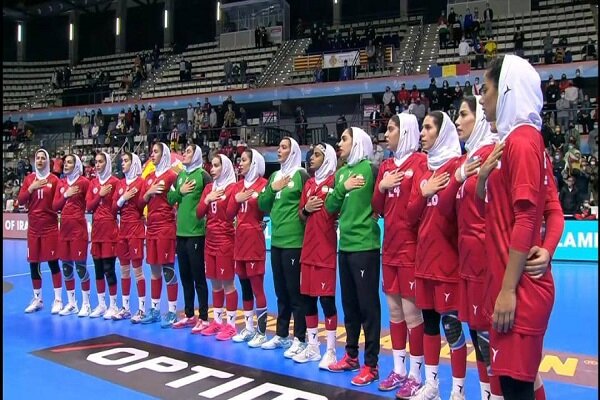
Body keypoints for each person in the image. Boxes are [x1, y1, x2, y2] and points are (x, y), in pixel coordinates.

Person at [476, 55, 555, 399]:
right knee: (521, 383)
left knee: (517, 387)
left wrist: (508, 290)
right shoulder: (514, 142)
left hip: (519, 291)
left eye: (486, 89)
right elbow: (503, 211)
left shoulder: (522, 142)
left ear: (506, 89)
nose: (481, 98)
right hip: (509, 283)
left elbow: (526, 218)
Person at [406, 111, 466, 400]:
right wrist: (423, 192)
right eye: (422, 128)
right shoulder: (423, 169)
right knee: (430, 326)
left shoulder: (458, 165)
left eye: (428, 128)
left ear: (442, 132)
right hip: (424, 262)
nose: (422, 133)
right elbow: (410, 216)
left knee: (451, 328)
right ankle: (432, 386)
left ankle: (458, 391)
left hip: (448, 264)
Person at [372, 113, 427, 397]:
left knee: (412, 314)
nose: (387, 134)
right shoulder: (385, 165)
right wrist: (381, 186)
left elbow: (418, 207)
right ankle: (399, 370)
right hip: (389, 248)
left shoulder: (419, 162)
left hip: (410, 248)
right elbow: (377, 207)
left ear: (405, 131)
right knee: (394, 312)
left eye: (392, 129)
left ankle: (416, 374)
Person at [324, 127, 381, 386]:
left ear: (357, 142)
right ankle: (351, 356)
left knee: (368, 307)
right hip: (344, 247)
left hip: (365, 247)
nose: (340, 143)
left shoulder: (371, 170)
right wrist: (342, 188)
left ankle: (372, 365)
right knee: (349, 306)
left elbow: (384, 201)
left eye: (344, 139)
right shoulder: (340, 174)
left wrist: (378, 211)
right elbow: (329, 207)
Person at [453, 96, 500, 399]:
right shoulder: (467, 159)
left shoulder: (492, 154)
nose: (458, 121)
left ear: (480, 117)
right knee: (477, 337)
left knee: (489, 340)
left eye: (463, 114)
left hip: (485, 262)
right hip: (467, 262)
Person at [257, 137, 310, 357]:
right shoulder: (274, 177)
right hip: (277, 242)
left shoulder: (301, 175)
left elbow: (308, 205)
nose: (279, 150)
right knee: (280, 292)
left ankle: (301, 338)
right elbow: (262, 204)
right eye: (279, 147)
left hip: (294, 242)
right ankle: (281, 335)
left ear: (293, 152)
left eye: (284, 147)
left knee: (295, 292)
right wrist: (272, 188)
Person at [293, 143, 339, 367]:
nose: (312, 157)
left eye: (318, 155)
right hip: (308, 250)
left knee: (327, 301)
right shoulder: (309, 183)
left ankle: (331, 351)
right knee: (307, 300)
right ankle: (312, 347)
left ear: (327, 158)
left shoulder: (335, 181)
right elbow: (301, 215)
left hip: (325, 251)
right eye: (312, 154)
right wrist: (306, 209)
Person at [225, 149, 269, 347]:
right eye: (239, 160)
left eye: (244, 160)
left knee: (257, 286)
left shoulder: (263, 184)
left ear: (254, 163)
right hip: (240, 241)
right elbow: (228, 214)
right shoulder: (237, 186)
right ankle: (249, 328)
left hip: (254, 241)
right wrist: (236, 199)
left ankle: (262, 332)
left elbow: (267, 208)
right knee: (244, 286)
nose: (240, 163)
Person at [168, 145, 212, 333]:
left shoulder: (203, 176)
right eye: (184, 152)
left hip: (196, 234)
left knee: (198, 277)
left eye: (188, 152)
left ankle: (204, 318)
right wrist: (181, 191)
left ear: (196, 155)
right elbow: (170, 198)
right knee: (185, 277)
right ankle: (189, 315)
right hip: (181, 234)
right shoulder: (180, 177)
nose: (184, 154)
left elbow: (211, 200)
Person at [196, 154, 238, 340]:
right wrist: (207, 199)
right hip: (210, 240)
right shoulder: (208, 189)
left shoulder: (232, 188)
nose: (212, 169)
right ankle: (218, 321)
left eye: (216, 166)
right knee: (214, 282)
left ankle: (231, 325)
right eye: (211, 166)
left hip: (225, 241)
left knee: (227, 283)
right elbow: (199, 213)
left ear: (225, 167)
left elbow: (230, 215)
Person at [139, 142, 180, 327]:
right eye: (151, 151)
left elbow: (177, 199)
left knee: (168, 269)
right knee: (154, 270)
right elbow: (141, 202)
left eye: (155, 152)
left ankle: (171, 312)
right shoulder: (148, 178)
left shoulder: (171, 176)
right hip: (152, 228)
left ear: (164, 155)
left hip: (165, 228)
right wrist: (148, 193)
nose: (152, 154)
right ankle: (155, 310)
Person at [18, 149, 63, 314]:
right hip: (33, 228)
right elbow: (20, 200)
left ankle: (58, 300)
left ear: (48, 161)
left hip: (50, 228)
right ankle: (38, 299)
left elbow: (58, 203)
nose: (40, 161)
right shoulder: (29, 179)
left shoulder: (54, 180)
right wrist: (31, 188)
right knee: (34, 264)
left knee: (53, 262)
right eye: (38, 158)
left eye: (43, 158)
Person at [52, 154, 91, 316]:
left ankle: (86, 304)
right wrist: (66, 195)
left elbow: (90, 204)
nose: (65, 165)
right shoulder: (61, 183)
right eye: (65, 163)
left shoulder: (84, 182)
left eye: (69, 162)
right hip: (64, 230)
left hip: (78, 230)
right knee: (67, 268)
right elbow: (55, 206)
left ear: (76, 165)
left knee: (81, 268)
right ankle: (72, 303)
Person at [112, 152, 147, 323]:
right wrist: (123, 198)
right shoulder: (120, 184)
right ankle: (125, 308)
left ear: (134, 163)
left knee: (138, 270)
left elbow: (141, 206)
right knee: (124, 270)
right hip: (123, 230)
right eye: (122, 161)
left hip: (135, 230)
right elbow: (113, 208)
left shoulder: (141, 182)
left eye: (126, 161)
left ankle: (142, 309)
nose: (123, 163)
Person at [86, 151, 120, 319]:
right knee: (98, 270)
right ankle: (101, 305)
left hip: (110, 232)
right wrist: (99, 195)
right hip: (97, 232)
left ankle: (113, 305)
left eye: (101, 162)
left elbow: (115, 208)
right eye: (96, 162)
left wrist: (109, 197)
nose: (97, 165)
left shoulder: (115, 182)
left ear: (107, 163)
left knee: (109, 269)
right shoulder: (92, 183)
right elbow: (89, 207)